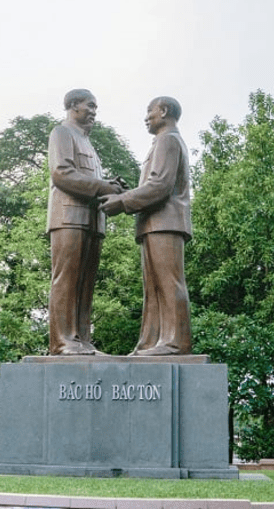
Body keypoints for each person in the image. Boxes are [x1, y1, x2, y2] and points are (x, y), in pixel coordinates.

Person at [99, 96, 192, 356]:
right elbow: (153, 186)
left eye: (149, 111)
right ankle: (151, 342)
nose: (146, 117)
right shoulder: (162, 142)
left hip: (166, 222)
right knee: (153, 288)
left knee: (168, 282)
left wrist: (123, 201)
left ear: (163, 111)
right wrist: (128, 195)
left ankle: (175, 342)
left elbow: (160, 186)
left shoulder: (168, 140)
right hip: (153, 223)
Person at [47, 88, 124, 355]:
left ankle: (82, 340)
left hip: (92, 220)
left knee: (85, 283)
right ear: (72, 105)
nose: (93, 112)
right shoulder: (62, 133)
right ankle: (62, 341)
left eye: (95, 107)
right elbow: (61, 174)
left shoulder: (88, 142)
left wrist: (110, 187)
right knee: (66, 280)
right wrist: (103, 187)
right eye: (89, 106)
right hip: (68, 216)